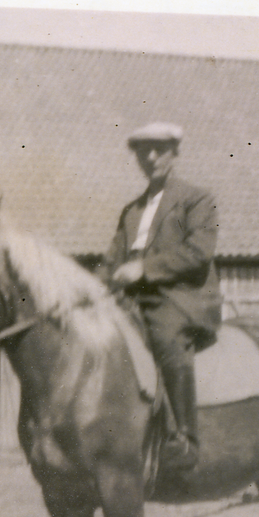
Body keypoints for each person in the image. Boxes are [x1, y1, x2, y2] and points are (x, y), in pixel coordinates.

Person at [99, 122, 222, 471]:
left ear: (175, 152)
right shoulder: (131, 211)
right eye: (143, 150)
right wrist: (90, 290)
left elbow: (199, 252)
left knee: (165, 336)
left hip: (180, 298)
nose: (151, 157)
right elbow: (110, 262)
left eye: (159, 149)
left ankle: (185, 438)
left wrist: (143, 269)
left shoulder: (196, 200)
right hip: (134, 300)